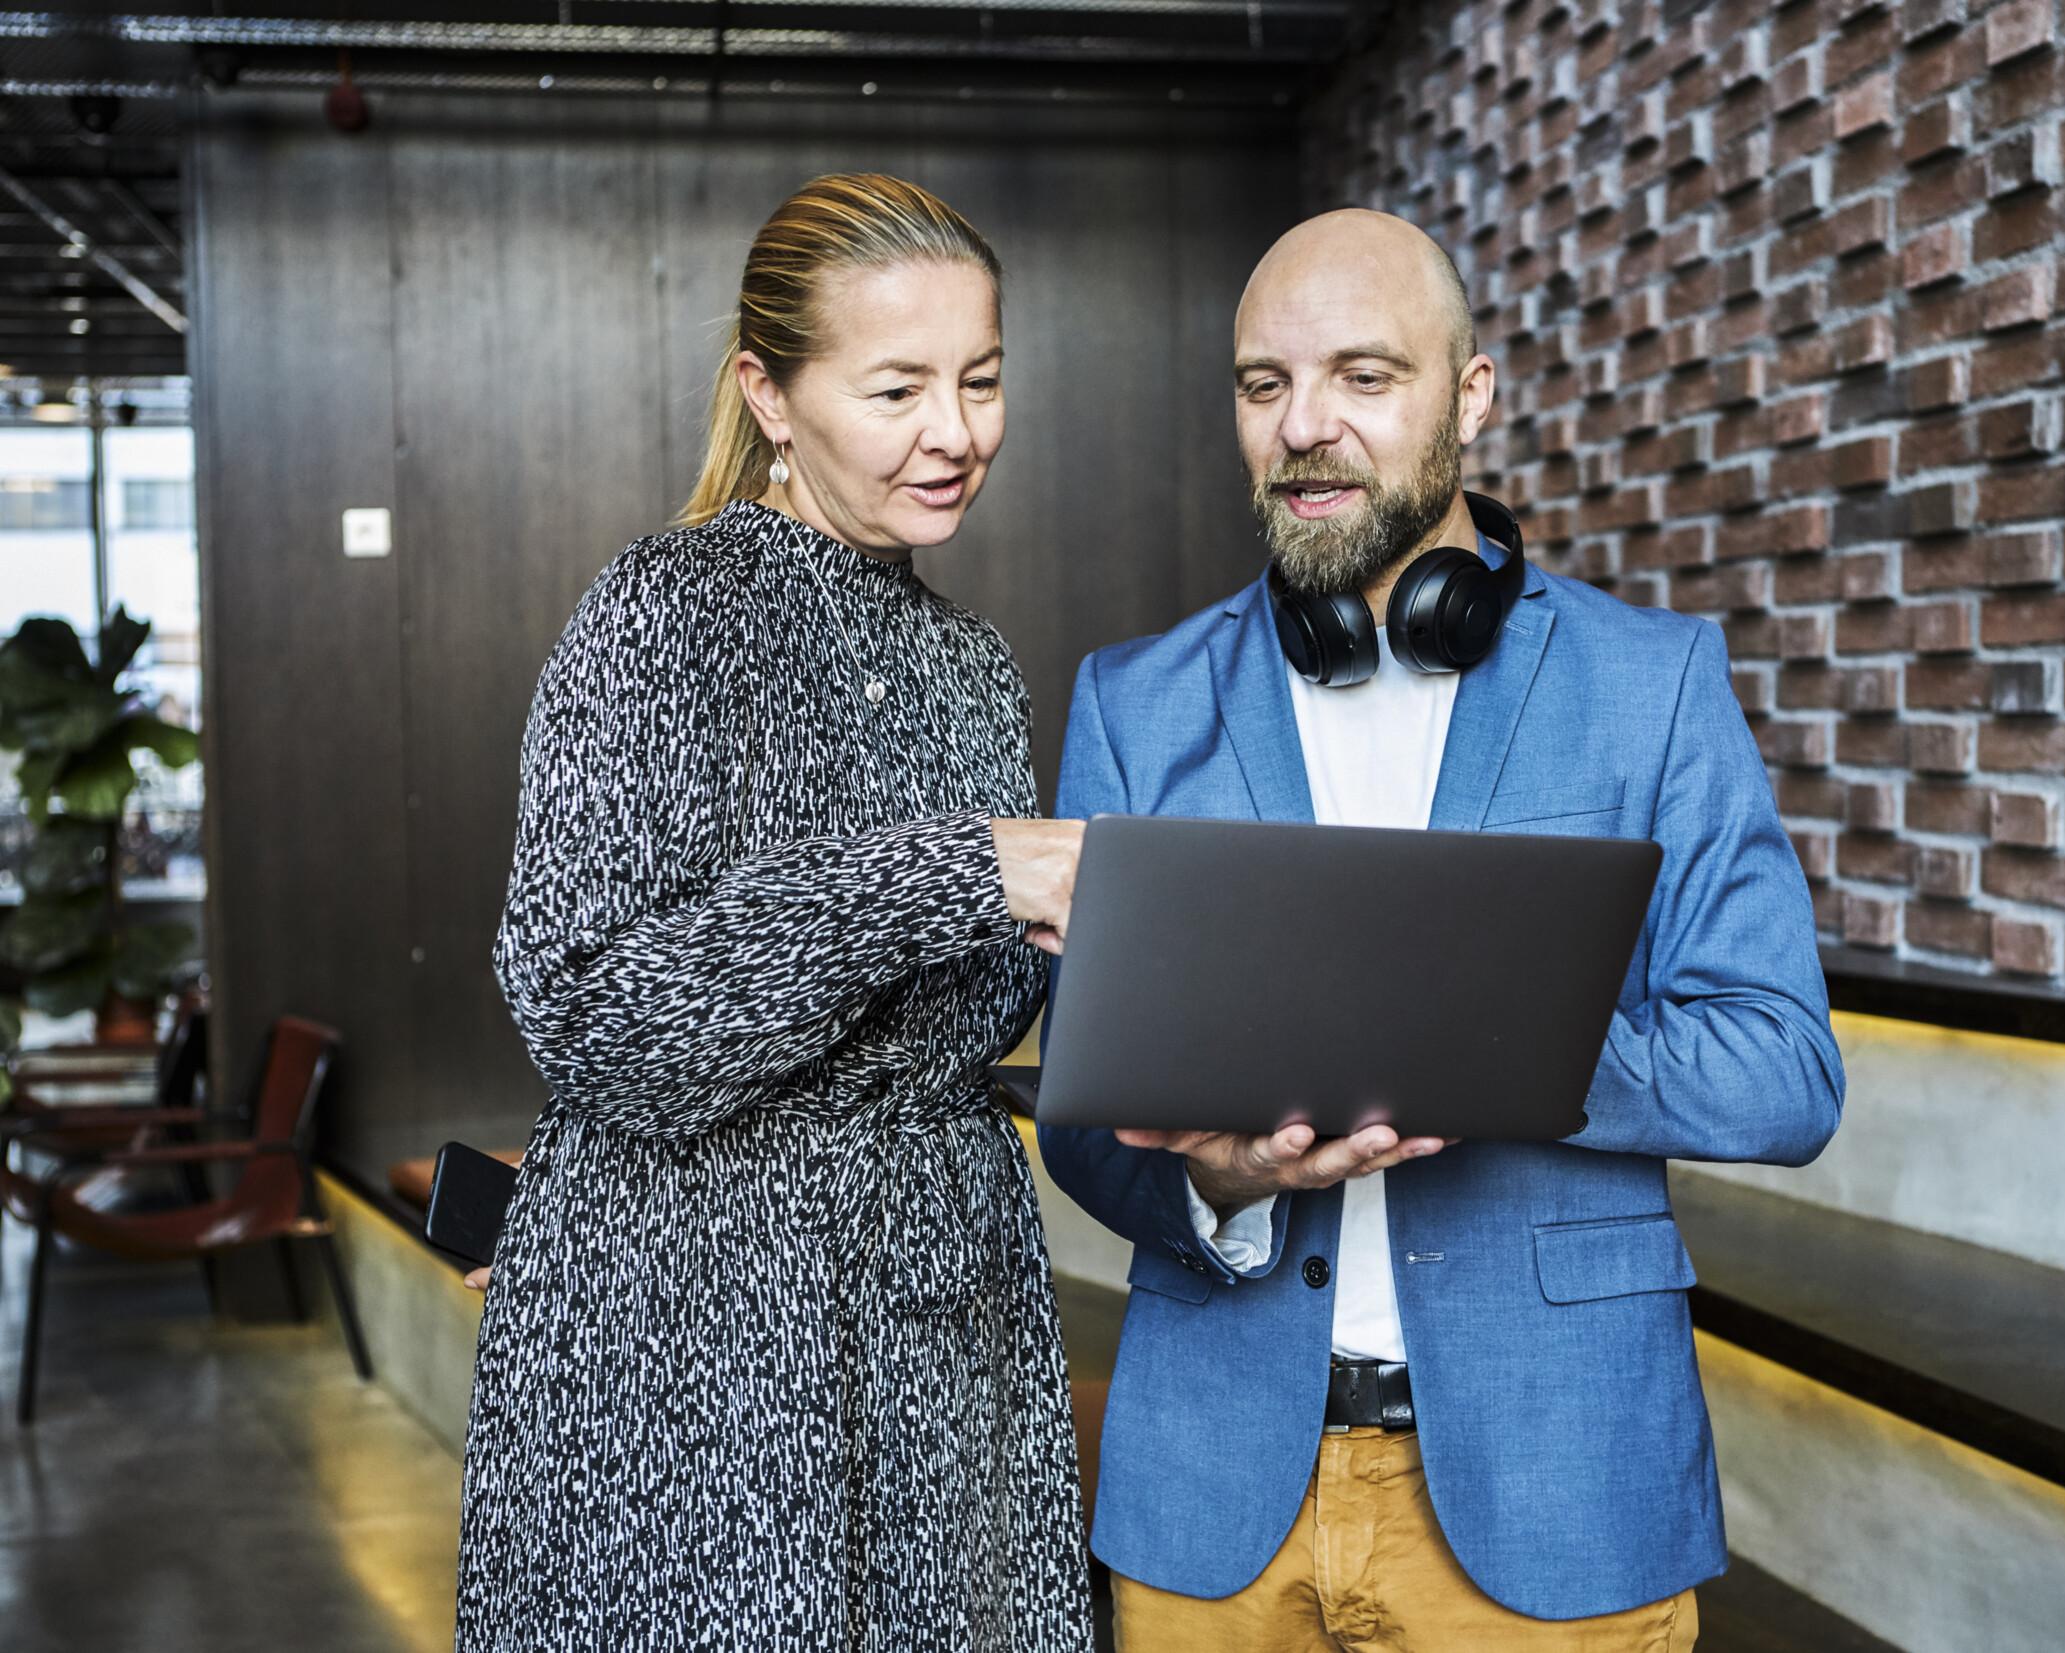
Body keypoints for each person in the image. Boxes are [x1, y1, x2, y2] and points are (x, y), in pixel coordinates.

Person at [1038, 209, 1846, 1651]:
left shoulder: (1652, 685)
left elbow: (1784, 1069)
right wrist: (1214, 1182)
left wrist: (1494, 1044)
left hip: (1557, 1491)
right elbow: (1088, 1119)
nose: (1307, 428)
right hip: (1214, 1499)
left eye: (1364, 376)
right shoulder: (1133, 702)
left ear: (1469, 397)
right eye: (1264, 383)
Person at [457, 173, 1090, 1652]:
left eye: (984, 381)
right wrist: (957, 871)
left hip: (942, 1315)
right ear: (771, 391)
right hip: (703, 1339)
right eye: (899, 387)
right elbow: (598, 1018)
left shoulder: (975, 667)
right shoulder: (661, 611)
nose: (958, 432)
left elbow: (953, 1016)